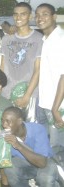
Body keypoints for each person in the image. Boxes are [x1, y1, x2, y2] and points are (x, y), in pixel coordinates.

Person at [1, 2, 42, 123]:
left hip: (29, 94)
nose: (18, 18)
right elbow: (2, 66)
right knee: (9, 129)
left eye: (23, 14)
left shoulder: (38, 39)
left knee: (28, 131)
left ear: (30, 16)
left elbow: (38, 70)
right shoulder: (6, 39)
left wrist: (27, 95)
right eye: (16, 14)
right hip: (7, 93)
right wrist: (0, 88)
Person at [2, 106, 58, 187]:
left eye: (8, 121)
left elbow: (42, 163)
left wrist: (18, 145)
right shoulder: (5, 135)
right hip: (24, 162)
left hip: (45, 161)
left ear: (19, 121)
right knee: (9, 167)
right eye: (2, 120)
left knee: (45, 179)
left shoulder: (37, 129)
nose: (4, 125)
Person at [35, 3, 64, 153]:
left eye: (45, 14)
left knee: (57, 148)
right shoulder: (45, 39)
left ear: (54, 17)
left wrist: (55, 108)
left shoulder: (61, 40)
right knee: (46, 146)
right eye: (37, 15)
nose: (40, 18)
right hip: (44, 103)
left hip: (58, 107)